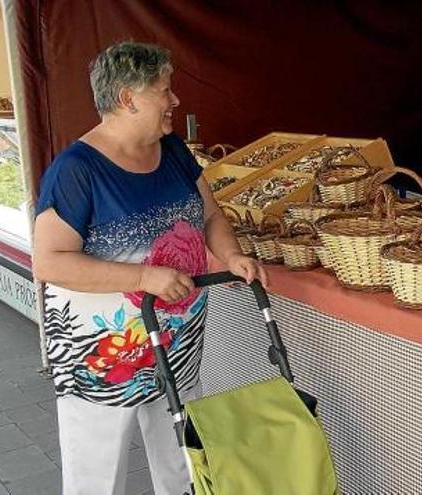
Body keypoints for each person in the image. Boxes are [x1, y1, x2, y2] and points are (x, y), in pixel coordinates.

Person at [32, 41, 267, 495]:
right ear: (128, 98)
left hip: (175, 340)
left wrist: (231, 256)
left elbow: (212, 216)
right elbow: (49, 261)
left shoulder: (174, 150)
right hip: (101, 355)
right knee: (96, 476)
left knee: (182, 461)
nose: (175, 100)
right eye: (165, 89)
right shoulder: (77, 170)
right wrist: (143, 278)